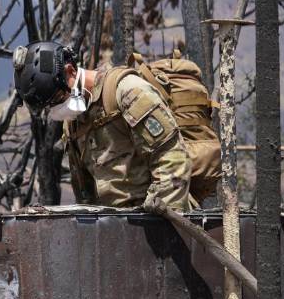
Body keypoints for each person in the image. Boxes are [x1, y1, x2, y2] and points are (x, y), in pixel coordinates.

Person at [13, 40, 195, 213]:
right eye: (48, 106)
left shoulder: (127, 91)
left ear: (70, 72)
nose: (54, 109)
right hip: (116, 230)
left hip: (157, 220)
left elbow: (173, 159)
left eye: (56, 99)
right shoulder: (73, 123)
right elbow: (85, 195)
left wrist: (164, 225)